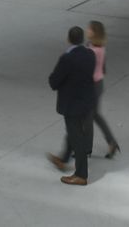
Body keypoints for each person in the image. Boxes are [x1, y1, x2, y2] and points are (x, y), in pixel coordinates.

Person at [47, 26, 96, 186]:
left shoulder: (67, 59)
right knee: (74, 132)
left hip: (72, 104)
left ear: (69, 39)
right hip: (87, 101)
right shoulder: (90, 54)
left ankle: (81, 174)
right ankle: (63, 159)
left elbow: (54, 82)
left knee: (76, 138)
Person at [86, 20, 121, 159]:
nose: (86, 30)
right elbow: (104, 68)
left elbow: (86, 70)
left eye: (89, 29)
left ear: (94, 32)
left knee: (88, 118)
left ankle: (86, 149)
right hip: (99, 83)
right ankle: (111, 142)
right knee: (95, 115)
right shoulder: (100, 47)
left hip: (91, 86)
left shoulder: (91, 50)